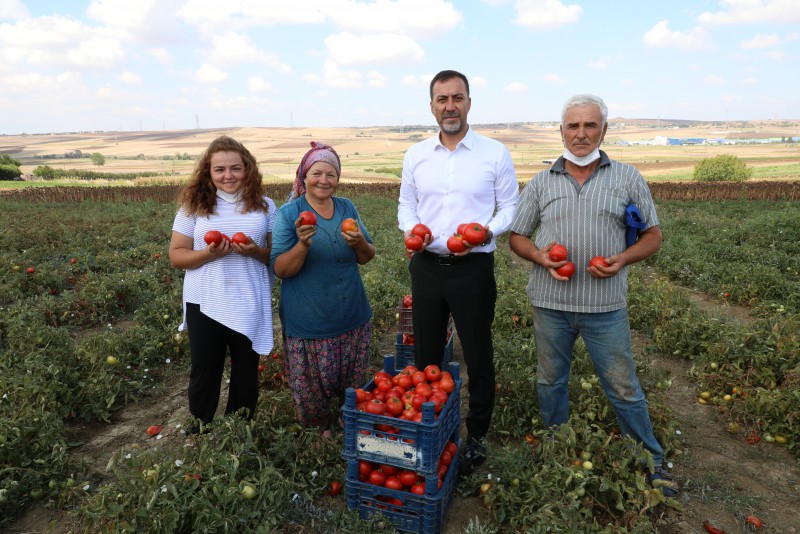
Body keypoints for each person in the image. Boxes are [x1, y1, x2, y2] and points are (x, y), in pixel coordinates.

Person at [508, 94, 678, 497]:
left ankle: (651, 461)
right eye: (573, 126)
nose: (581, 134)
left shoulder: (627, 177)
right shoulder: (542, 181)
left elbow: (653, 235)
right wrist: (539, 256)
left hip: (605, 306)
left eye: (589, 126)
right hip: (550, 304)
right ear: (561, 131)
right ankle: (557, 448)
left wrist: (622, 259)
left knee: (623, 386)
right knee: (551, 381)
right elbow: (517, 236)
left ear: (604, 130)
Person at [397, 70, 519, 472]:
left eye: (457, 98)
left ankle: (477, 433)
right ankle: (433, 426)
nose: (450, 106)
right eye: (442, 99)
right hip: (427, 265)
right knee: (425, 353)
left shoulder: (494, 153)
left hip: (473, 267)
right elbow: (406, 206)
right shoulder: (416, 155)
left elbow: (510, 207)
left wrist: (487, 231)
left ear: (469, 102)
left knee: (478, 351)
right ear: (431, 106)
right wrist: (411, 230)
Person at [169, 135, 276, 435]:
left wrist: (254, 251)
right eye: (219, 170)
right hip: (204, 300)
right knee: (205, 370)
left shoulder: (265, 206)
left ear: (248, 169)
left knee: (245, 370)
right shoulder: (193, 206)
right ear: (208, 172)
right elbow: (176, 256)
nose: (228, 176)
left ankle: (238, 430)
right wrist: (207, 254)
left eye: (235, 168)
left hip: (248, 298)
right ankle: (200, 427)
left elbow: (276, 256)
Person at [271, 142, 376, 435]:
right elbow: (281, 269)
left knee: (352, 384)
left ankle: (349, 424)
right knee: (312, 390)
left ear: (338, 179)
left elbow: (367, 256)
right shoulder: (289, 214)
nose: (324, 180)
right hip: (309, 320)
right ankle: (320, 432)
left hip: (351, 315)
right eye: (317, 173)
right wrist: (303, 244)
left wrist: (358, 243)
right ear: (303, 176)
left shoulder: (346, 207)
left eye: (331, 174)